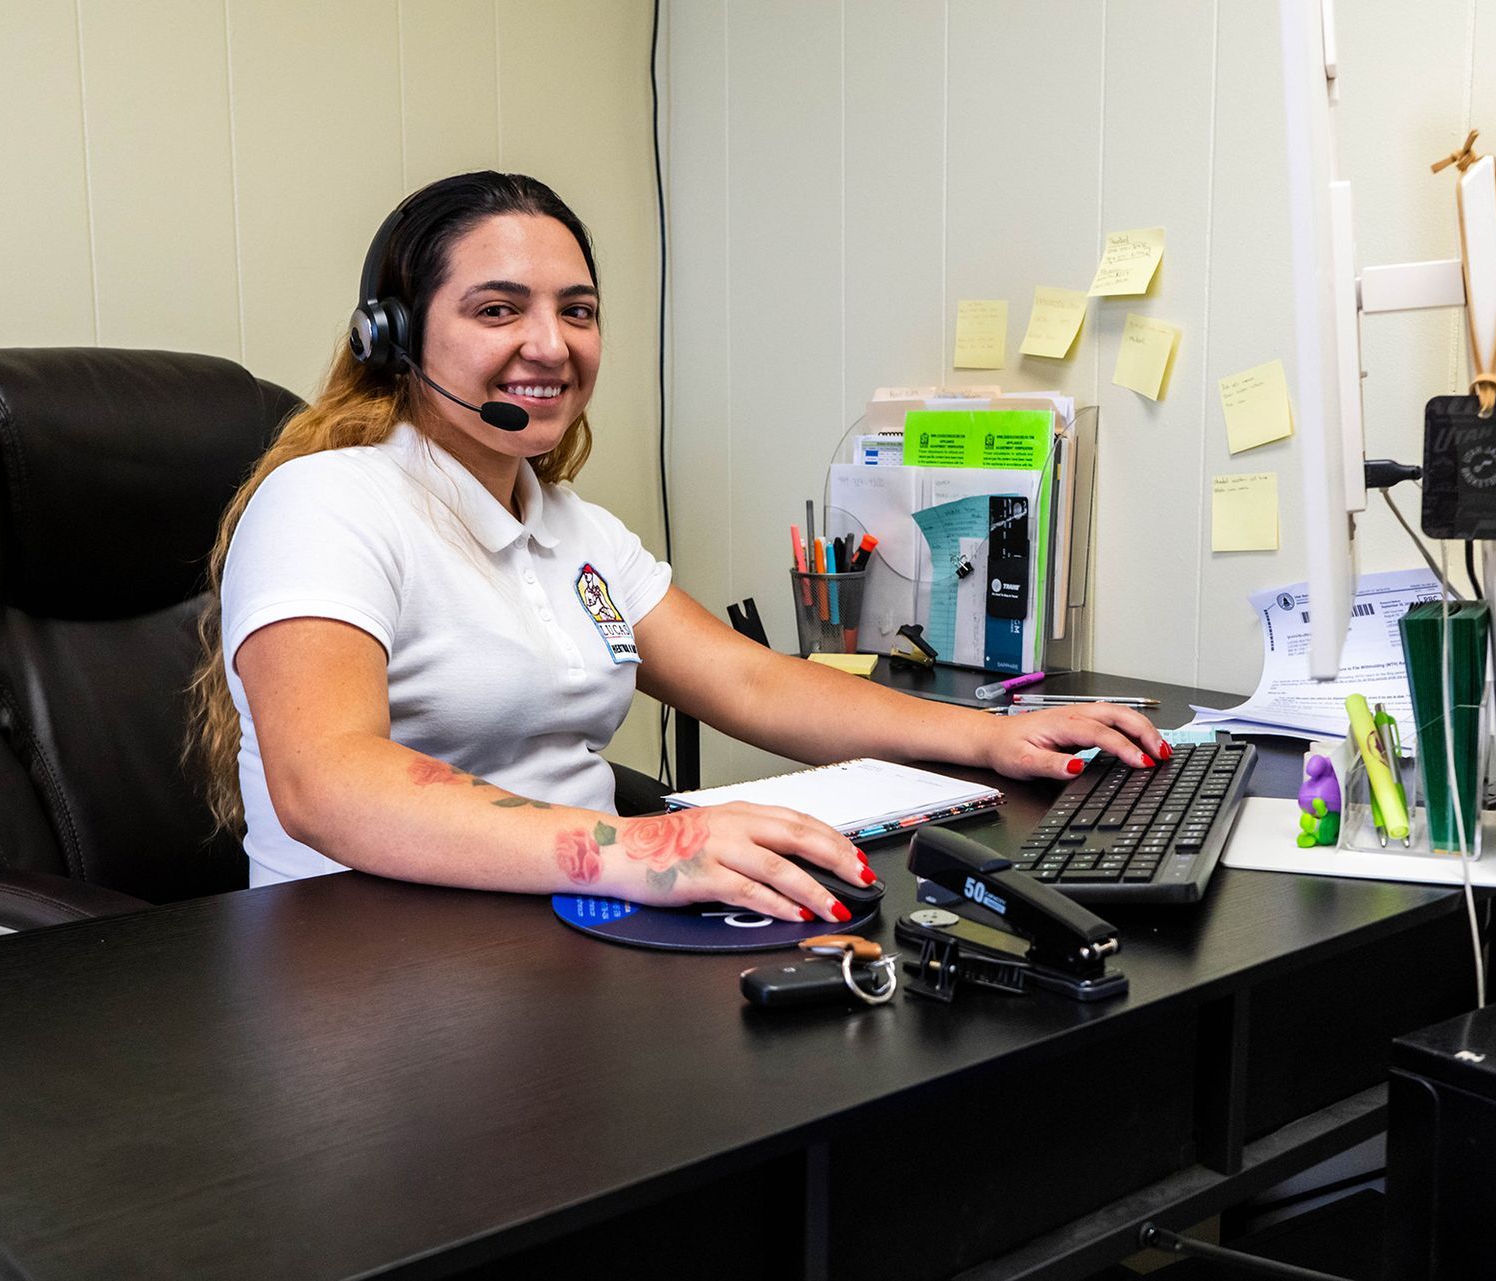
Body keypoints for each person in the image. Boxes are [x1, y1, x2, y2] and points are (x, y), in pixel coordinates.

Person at [192, 170, 1167, 924]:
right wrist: (641, 849)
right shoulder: (328, 503)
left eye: (576, 310)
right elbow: (327, 780)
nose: (550, 345)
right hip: (360, 951)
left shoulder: (569, 529)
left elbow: (749, 685)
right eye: (498, 310)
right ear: (394, 339)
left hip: (561, 926)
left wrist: (988, 737)